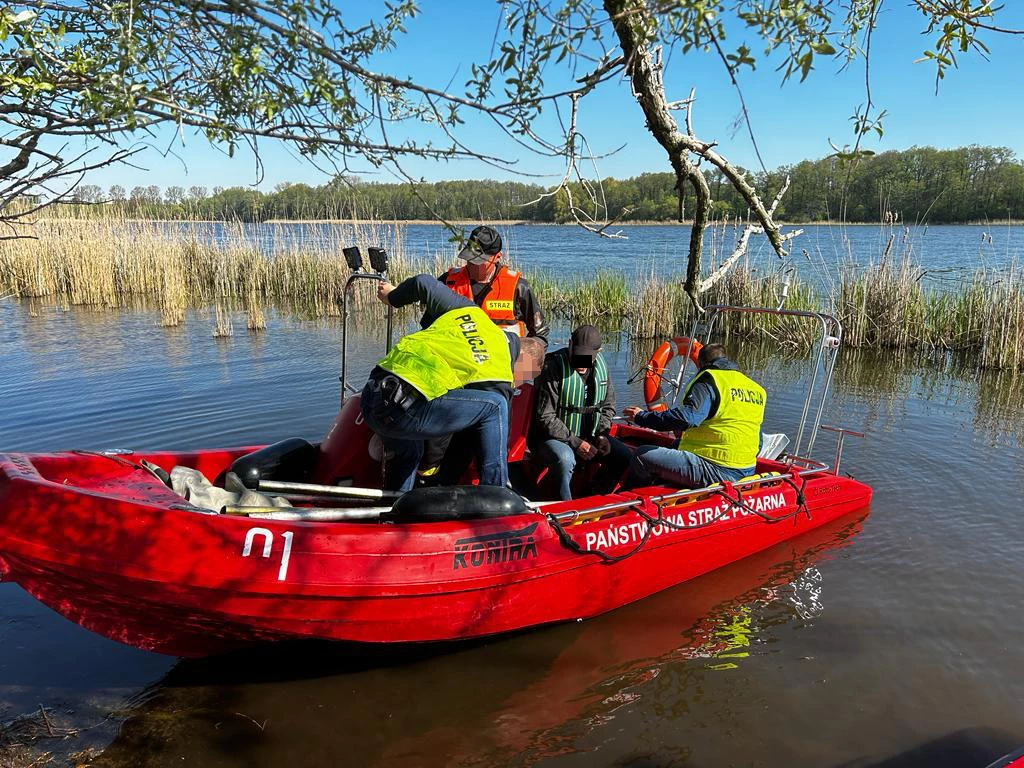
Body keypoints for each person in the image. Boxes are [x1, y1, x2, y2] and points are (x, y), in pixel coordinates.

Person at [360, 274, 545, 492]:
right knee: (496, 405)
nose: (515, 383)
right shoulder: (501, 370)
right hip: (404, 409)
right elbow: (497, 433)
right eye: (522, 377)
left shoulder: (471, 312)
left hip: (372, 394)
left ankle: (394, 510)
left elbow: (422, 283)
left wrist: (393, 297)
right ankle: (496, 494)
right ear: (523, 361)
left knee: (410, 454)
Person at [623, 343, 766, 489]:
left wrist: (642, 417)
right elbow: (758, 440)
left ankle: (628, 501)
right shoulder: (755, 388)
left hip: (716, 470)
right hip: (746, 470)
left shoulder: (710, 379)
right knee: (674, 445)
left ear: (701, 363)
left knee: (642, 456)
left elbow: (687, 418)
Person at [529, 325, 632, 500]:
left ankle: (593, 497)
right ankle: (564, 509)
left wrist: (602, 433)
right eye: (577, 356)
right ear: (569, 345)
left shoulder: (602, 368)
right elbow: (545, 417)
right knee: (565, 458)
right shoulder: (552, 367)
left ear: (598, 352)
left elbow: (608, 406)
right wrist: (575, 442)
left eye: (587, 358)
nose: (581, 364)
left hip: (589, 436)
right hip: (552, 439)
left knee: (623, 456)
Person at [439, 224, 549, 344]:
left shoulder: (519, 288)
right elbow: (428, 327)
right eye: (470, 258)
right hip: (456, 358)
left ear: (497, 257)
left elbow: (540, 333)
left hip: (504, 360)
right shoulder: (447, 282)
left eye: (479, 261)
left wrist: (528, 358)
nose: (473, 264)